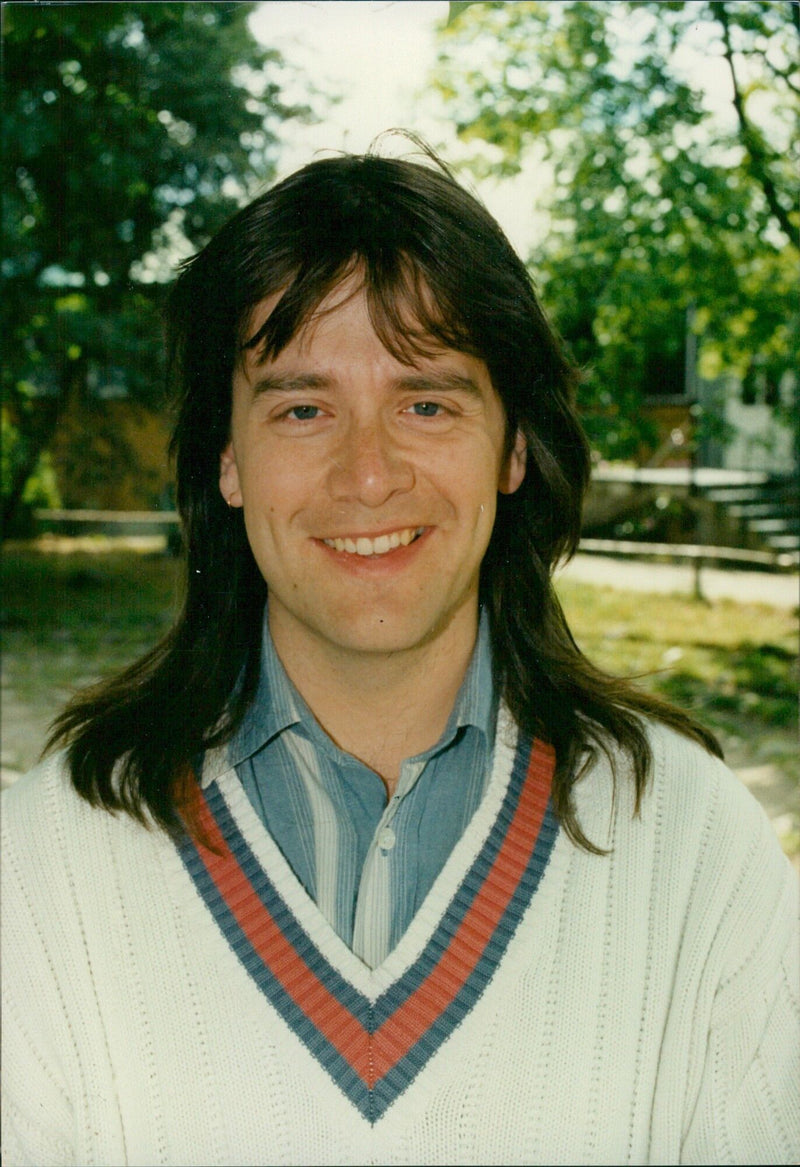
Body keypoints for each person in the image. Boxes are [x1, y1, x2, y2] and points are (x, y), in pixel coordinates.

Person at [2, 147, 797, 1167]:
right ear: (226, 460)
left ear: (512, 447)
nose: (367, 473)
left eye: (426, 403)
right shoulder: (40, 865)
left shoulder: (693, 852)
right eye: (302, 408)